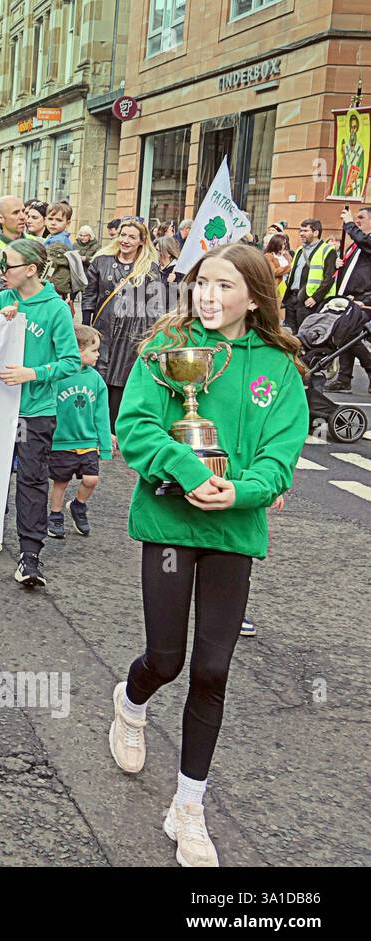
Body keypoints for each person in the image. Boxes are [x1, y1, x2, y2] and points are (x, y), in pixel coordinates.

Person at [110, 243, 308, 867]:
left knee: (213, 669)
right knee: (167, 659)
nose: (209, 296)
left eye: (225, 286)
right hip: (172, 521)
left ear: (254, 296)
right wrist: (189, 471)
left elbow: (282, 454)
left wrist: (243, 489)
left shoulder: (276, 368)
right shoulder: (165, 347)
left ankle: (188, 808)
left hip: (233, 528)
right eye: (202, 283)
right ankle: (131, 699)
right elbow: (136, 427)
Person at [0, 238, 81, 586]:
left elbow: (72, 361)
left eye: (7, 265)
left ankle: (29, 554)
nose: (1, 272)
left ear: (30, 270)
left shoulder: (55, 309)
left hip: (35, 409)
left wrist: (33, 374)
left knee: (31, 477)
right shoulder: (0, 299)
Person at [82, 217, 168, 433]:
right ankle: (92, 424)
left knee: (121, 378)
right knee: (97, 373)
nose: (126, 240)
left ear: (142, 241)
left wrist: (151, 334)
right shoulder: (101, 261)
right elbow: (89, 295)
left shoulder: (149, 267)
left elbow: (156, 304)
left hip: (133, 330)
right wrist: (86, 325)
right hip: (103, 327)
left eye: (132, 236)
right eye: (123, 235)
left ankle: (114, 428)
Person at [47, 323, 110, 541]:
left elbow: (102, 413)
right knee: (60, 482)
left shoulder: (95, 379)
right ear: (77, 351)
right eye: (94, 350)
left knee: (92, 479)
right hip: (62, 442)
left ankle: (78, 505)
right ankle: (55, 515)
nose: (98, 355)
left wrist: (106, 444)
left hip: (88, 441)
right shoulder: (59, 376)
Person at [328, 206, 371, 390]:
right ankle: (344, 378)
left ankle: (368, 369)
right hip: (350, 297)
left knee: (349, 334)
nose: (357, 220)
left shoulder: (365, 241)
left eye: (361, 217)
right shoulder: (357, 244)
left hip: (364, 298)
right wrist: (340, 265)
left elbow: (364, 241)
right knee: (345, 335)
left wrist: (349, 224)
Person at [280, 219, 337, 334]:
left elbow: (329, 277)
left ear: (316, 233)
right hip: (292, 298)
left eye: (305, 231)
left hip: (309, 301)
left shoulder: (327, 250)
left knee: (305, 335)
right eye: (300, 230)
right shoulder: (300, 250)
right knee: (291, 335)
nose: (301, 233)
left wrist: (315, 298)